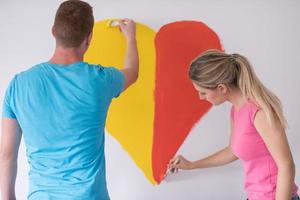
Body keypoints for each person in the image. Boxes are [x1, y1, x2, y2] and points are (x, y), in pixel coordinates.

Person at [0, 0, 138, 199]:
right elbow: (132, 72)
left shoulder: (18, 84)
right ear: (89, 38)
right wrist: (130, 37)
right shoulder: (100, 79)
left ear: (53, 31)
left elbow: (7, 153)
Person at [168, 49, 299, 200]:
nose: (200, 98)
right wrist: (192, 165)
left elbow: (286, 165)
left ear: (222, 88)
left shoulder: (259, 112)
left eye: (203, 92)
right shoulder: (235, 111)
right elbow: (233, 151)